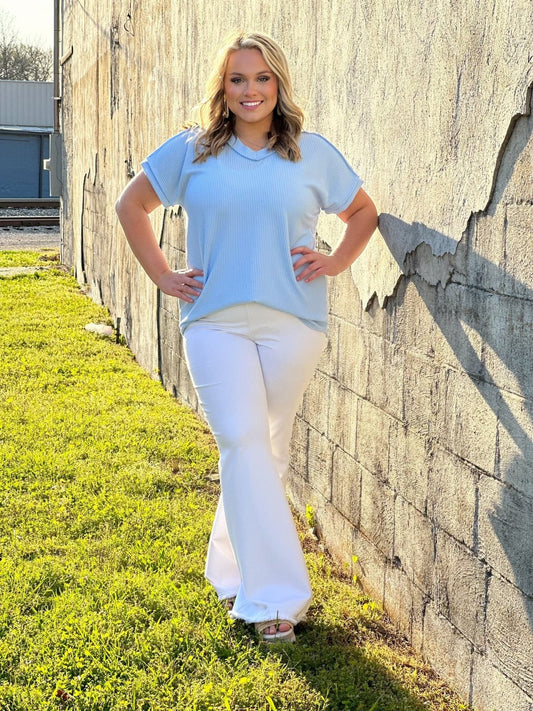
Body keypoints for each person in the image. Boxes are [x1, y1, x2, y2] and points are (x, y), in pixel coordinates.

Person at [115, 30, 378, 643]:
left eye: (261, 78)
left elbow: (363, 213)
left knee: (265, 448)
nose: (250, 90)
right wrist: (162, 274)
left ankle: (231, 568)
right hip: (214, 322)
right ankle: (275, 600)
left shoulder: (312, 154)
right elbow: (131, 206)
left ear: (278, 85)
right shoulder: (192, 151)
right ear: (223, 88)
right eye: (238, 79)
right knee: (241, 440)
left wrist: (335, 261)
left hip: (295, 325)